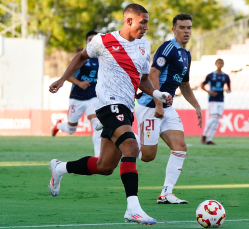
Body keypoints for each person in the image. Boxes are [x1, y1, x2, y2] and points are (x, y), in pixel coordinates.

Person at [47, 3, 172, 225]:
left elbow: (143, 79)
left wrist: (157, 94)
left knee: (105, 166)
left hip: (126, 108)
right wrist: (62, 79)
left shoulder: (144, 45)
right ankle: (132, 208)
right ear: (129, 21)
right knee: (132, 147)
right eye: (143, 22)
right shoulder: (103, 40)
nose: (146, 27)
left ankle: (59, 167)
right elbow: (80, 56)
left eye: (147, 23)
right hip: (107, 105)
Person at [135, 14, 202, 204]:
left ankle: (166, 193)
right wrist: (158, 104)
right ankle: (120, 138)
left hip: (167, 108)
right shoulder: (168, 47)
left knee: (180, 146)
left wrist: (196, 106)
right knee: (147, 157)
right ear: (174, 30)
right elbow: (152, 75)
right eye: (182, 27)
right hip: (150, 106)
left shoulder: (186, 55)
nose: (186, 31)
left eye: (189, 27)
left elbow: (185, 85)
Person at [51, 30, 102, 157]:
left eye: (95, 40)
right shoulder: (82, 57)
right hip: (77, 97)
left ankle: (98, 158)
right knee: (71, 129)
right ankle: (58, 125)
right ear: (86, 42)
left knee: (97, 124)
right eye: (90, 40)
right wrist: (79, 83)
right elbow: (68, 75)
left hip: (93, 98)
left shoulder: (102, 59)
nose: (92, 42)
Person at [200, 58, 231, 145]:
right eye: (218, 63)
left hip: (221, 100)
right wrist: (209, 92)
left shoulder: (225, 76)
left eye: (221, 63)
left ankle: (209, 139)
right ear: (216, 64)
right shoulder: (210, 75)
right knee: (214, 118)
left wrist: (228, 90)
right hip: (212, 100)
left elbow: (229, 88)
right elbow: (202, 85)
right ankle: (204, 134)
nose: (220, 64)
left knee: (216, 120)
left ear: (223, 65)